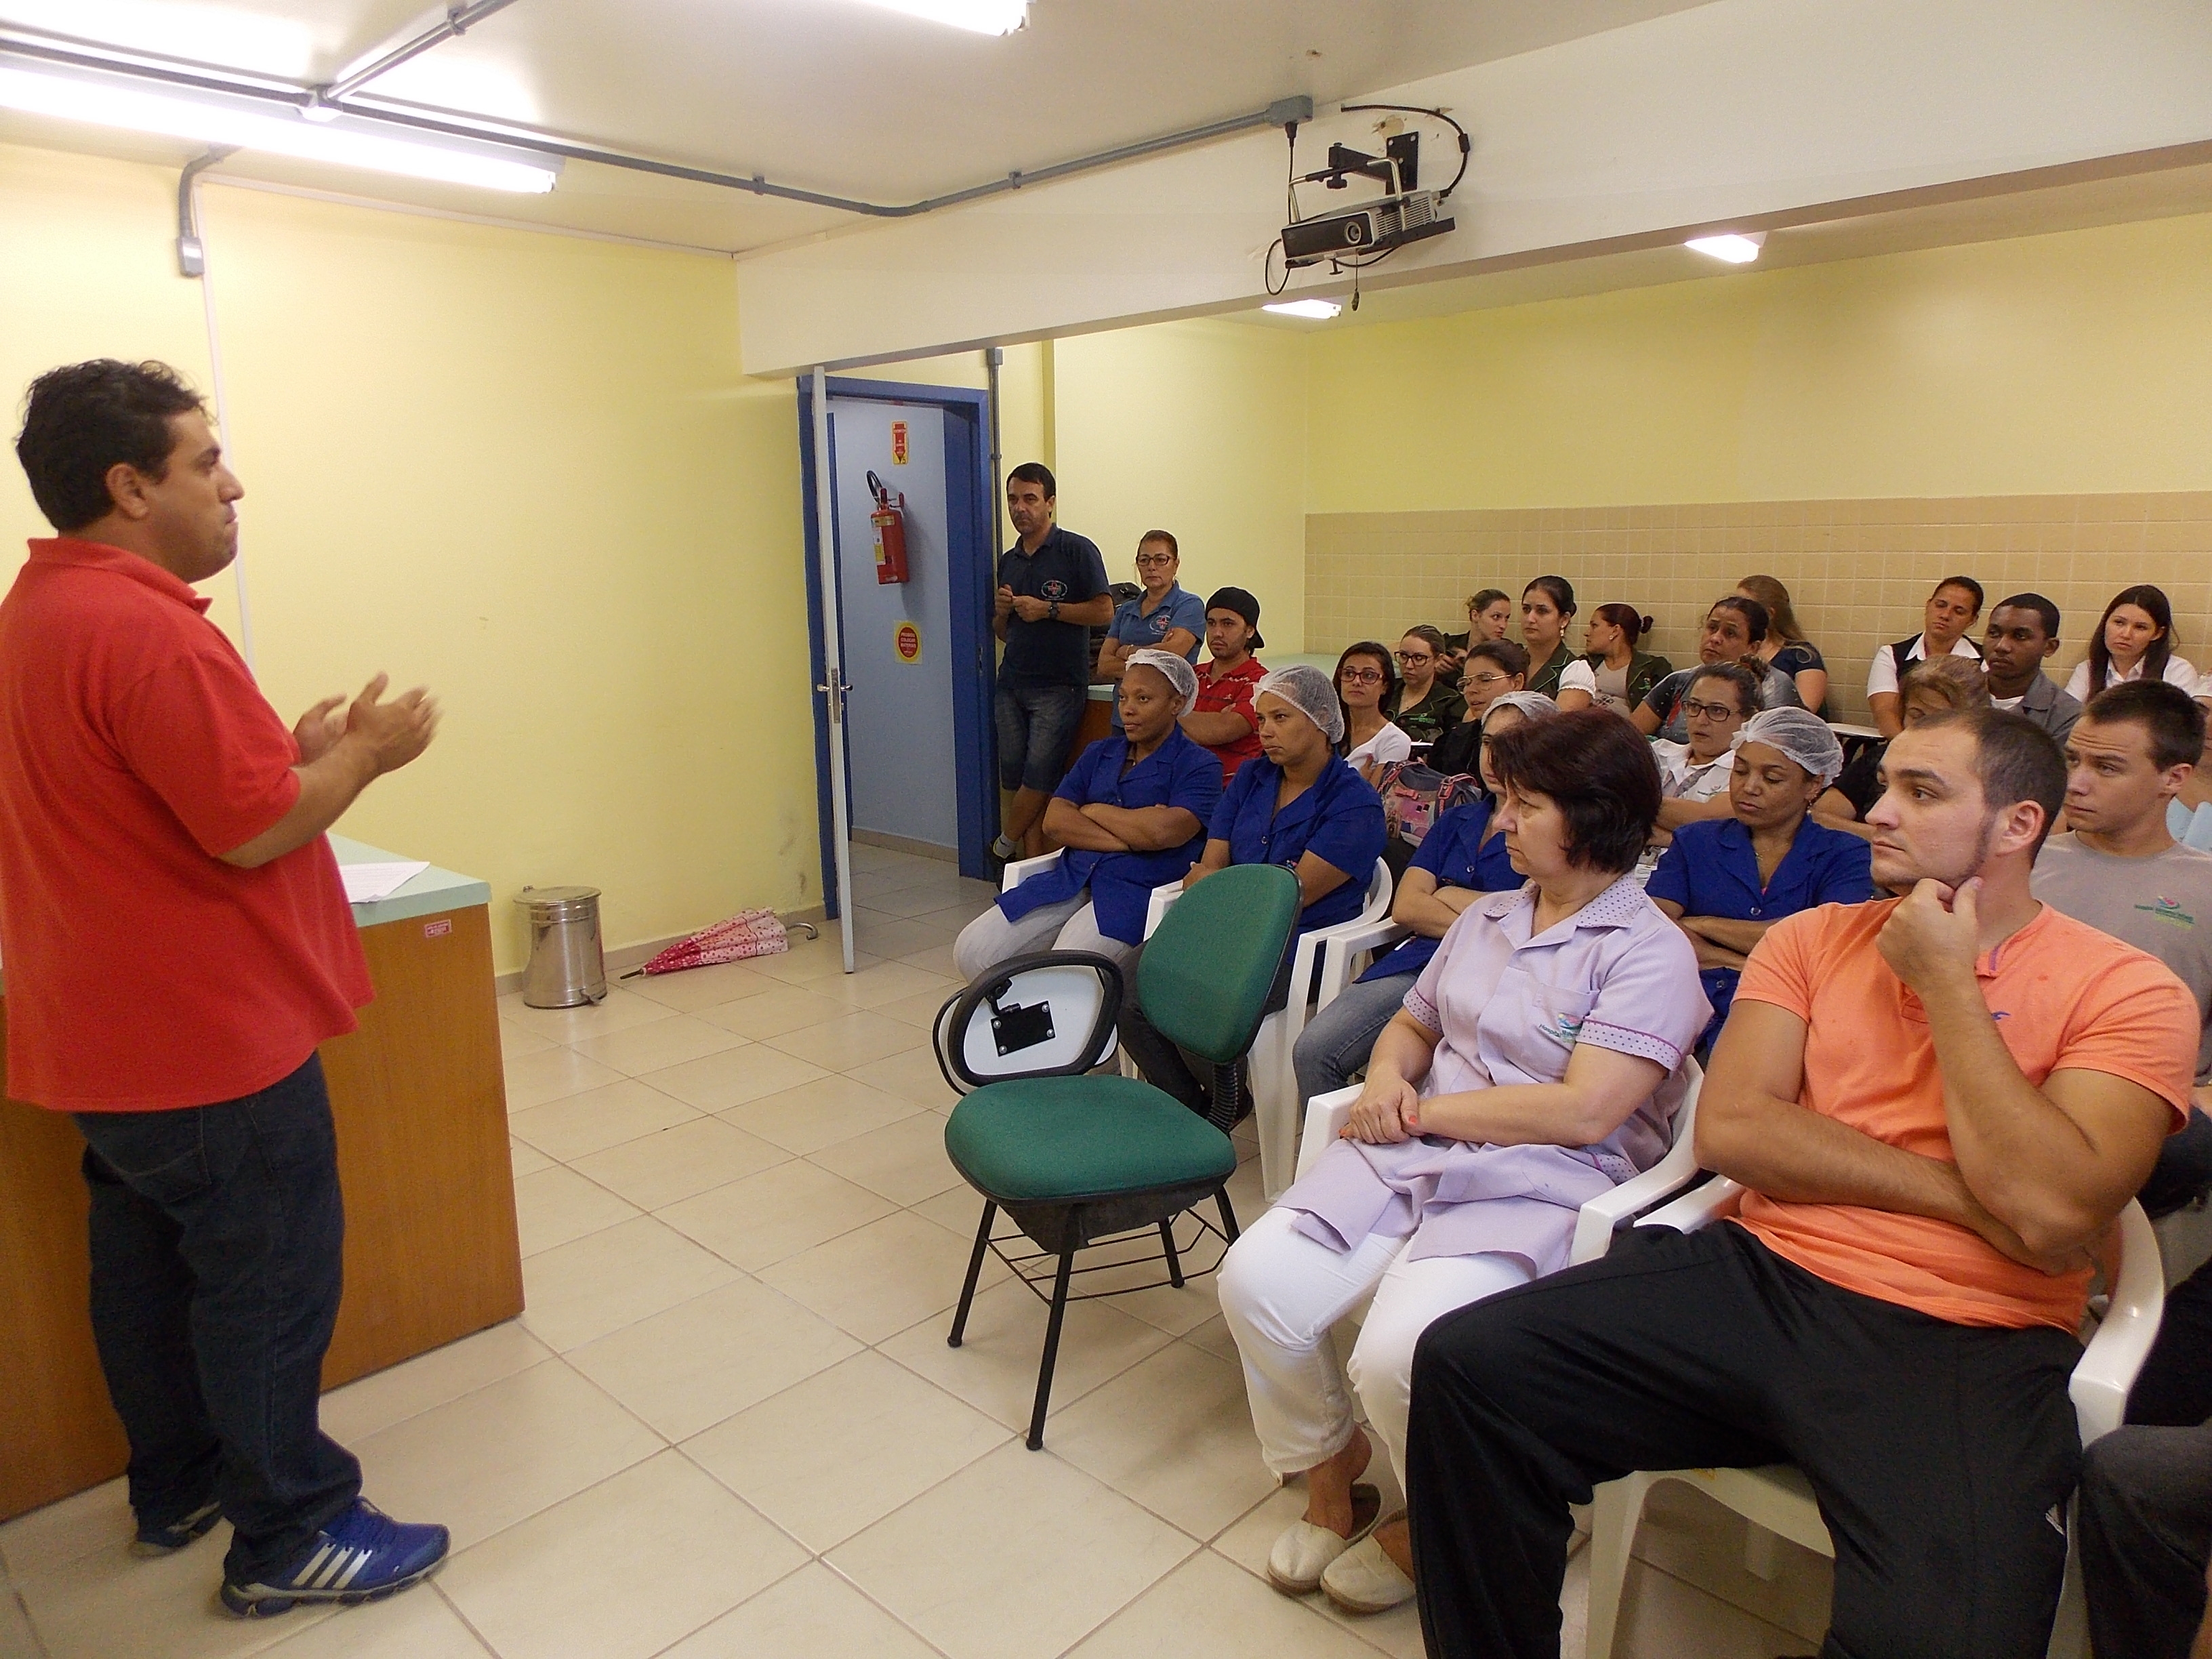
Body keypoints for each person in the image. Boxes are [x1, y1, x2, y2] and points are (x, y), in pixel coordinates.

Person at [1403, 708, 2200, 1659]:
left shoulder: (2128, 989)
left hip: (1965, 1329)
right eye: (1886, 787)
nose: (1881, 815)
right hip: (1765, 1271)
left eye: (1922, 792)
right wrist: (1975, 1200)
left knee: (1948, 1635)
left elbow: (2061, 1207)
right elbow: (1738, 1129)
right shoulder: (1813, 941)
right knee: (1468, 1367)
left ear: (2019, 825)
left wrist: (1950, 986)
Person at [1, 360, 450, 1616]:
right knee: (265, 1279)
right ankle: (290, 1531)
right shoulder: (145, 628)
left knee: (147, 1270)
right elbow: (248, 834)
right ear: (130, 483)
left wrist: (293, 756)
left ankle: (179, 1482)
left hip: (104, 1045)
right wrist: (361, 755)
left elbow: (179, 796)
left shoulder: (39, 611)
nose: (233, 482)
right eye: (206, 460)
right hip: (206, 1045)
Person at [1220, 710, 1708, 1616]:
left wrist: (1421, 1107)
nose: (1500, 824)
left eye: (1524, 806)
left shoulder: (1649, 953)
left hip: (1546, 1176)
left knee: (1405, 1356)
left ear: (1595, 815)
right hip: (1414, 1146)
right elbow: (1417, 1020)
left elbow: (1585, 1109)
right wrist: (1384, 1075)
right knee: (1256, 1281)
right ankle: (1336, 1472)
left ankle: (1443, 1519)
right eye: (1505, 803)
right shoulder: (1489, 917)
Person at [1116, 663, 1385, 1116]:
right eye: (1261, 720)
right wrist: (1218, 887)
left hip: (1295, 944)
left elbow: (1287, 899)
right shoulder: (1252, 777)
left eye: (1281, 719)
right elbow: (1209, 864)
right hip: (1222, 925)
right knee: (1127, 981)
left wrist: (1218, 887)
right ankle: (1201, 1106)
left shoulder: (1354, 803)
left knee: (1202, 991)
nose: (1266, 732)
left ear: (1321, 722)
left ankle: (1221, 1099)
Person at [1292, 691, 1559, 1105]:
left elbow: (1533, 925)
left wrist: (1449, 893)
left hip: (1499, 977)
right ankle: (1336, 1156)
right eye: (1488, 743)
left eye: (1512, 744)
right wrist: (1491, 912)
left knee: (1456, 1077)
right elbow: (1408, 907)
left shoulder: (1553, 834)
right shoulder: (1459, 818)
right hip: (1420, 964)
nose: (1494, 757)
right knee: (1314, 1051)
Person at [2032, 682, 2212, 1214]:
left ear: (2172, 779)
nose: (2077, 784)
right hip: (2018, 1094)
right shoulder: (2018, 861)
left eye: (2107, 768)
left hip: (2150, 1110)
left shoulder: (2204, 887)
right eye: (2072, 760)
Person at [953, 651, 1221, 981]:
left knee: (1070, 972)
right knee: (972, 951)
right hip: (1070, 877)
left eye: (1143, 698)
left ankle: (1073, 1026)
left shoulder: (1199, 765)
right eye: (1123, 697)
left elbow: (1164, 834)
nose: (1128, 709)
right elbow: (1055, 821)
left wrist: (1093, 811)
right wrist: (1133, 836)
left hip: (1133, 892)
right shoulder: (1100, 753)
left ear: (1176, 704)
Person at [1647, 708, 1876, 1052]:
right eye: (1740, 771)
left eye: (1772, 779)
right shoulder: (1696, 841)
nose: (1749, 788)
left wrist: (1702, 925)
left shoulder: (1845, 853)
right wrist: (1759, 962)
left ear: (1814, 784)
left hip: (1793, 1022)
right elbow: (1656, 928)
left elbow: (1824, 945)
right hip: (1685, 1008)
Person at [990, 462, 1113, 861]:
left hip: (1059, 685)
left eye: (1030, 499)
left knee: (1040, 776)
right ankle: (1029, 864)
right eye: (1013, 499)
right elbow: (1004, 631)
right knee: (1015, 775)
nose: (1020, 508)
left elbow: (1104, 612)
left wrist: (1049, 610)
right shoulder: (1009, 561)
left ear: (1050, 503)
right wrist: (1001, 612)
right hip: (1011, 684)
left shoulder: (1077, 550)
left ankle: (1003, 847)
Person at [1816, 655, 1989, 836]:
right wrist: (1881, 837)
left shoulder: (1981, 777)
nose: (1924, 728)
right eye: (1917, 715)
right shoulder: (1881, 758)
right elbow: (1821, 816)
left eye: (1939, 719)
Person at [1633, 596, 1799, 741]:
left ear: (1753, 647)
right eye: (1712, 628)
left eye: (1730, 633)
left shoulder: (1772, 685)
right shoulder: (1679, 680)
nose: (1715, 638)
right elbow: (1629, 736)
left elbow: (1773, 752)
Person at [1094, 529, 1204, 732]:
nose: (1152, 567)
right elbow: (1104, 665)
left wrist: (1125, 650)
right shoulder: (1125, 609)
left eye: (1161, 559)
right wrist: (1154, 655)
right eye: (1144, 560)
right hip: (1123, 718)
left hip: (1166, 722)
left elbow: (1172, 656)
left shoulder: (1189, 605)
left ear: (1175, 564)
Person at [1866, 574, 1985, 738]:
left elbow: (1982, 720)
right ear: (1928, 605)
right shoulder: (1892, 655)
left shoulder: (1985, 661)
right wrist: (1909, 749)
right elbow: (1885, 712)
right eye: (1940, 605)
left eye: (1959, 611)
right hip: (1901, 744)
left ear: (1973, 619)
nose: (1945, 615)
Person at [1650, 661, 1761, 833]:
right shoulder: (1657, 752)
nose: (1700, 720)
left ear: (1748, 718)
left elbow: (1707, 821)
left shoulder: (1748, 772)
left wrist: (1631, 800)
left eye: (1717, 711)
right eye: (1694, 706)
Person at [1181, 586, 1268, 779]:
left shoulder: (1261, 683)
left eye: (1228, 624)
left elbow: (1222, 730)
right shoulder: (1191, 675)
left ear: (1250, 631)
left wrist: (1172, 712)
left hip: (1230, 790)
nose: (1217, 632)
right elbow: (1160, 733)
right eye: (1211, 623)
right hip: (1181, 781)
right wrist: (1204, 724)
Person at [2066, 583, 2198, 705]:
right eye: (2119, 623)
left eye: (2140, 627)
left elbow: (2178, 725)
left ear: (2158, 633)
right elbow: (2067, 719)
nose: (2126, 634)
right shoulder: (2087, 669)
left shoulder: (2178, 671)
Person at [1981, 591, 2083, 743]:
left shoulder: (2067, 716)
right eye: (1994, 633)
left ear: (2050, 647)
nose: (2001, 646)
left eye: (2020, 636)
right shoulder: (1955, 695)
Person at [1429, 640, 1528, 779]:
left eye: (1485, 680)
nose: (1471, 690)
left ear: (1517, 682)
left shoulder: (1535, 744)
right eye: (1466, 682)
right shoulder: (1454, 741)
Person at [1736, 574, 1828, 715]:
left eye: (1745, 607)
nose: (1735, 611)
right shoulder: (1734, 650)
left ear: (1769, 614)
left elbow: (1803, 714)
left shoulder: (1802, 656)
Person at [1555, 604, 1670, 716]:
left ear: (1615, 631)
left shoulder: (1653, 669)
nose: (1587, 633)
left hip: (1625, 731)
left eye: (1594, 626)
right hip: (1584, 728)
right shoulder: (1583, 665)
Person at [1333, 642, 1412, 783]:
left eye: (1368, 676)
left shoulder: (1394, 740)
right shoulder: (1326, 729)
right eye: (1349, 673)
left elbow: (1373, 797)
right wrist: (1355, 782)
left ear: (1385, 687)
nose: (1356, 681)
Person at [1382, 626, 1465, 747]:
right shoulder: (1385, 690)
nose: (1409, 665)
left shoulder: (1451, 702)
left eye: (1419, 658)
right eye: (1404, 656)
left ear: (1438, 660)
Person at [1517, 576, 1580, 701]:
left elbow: (1561, 720)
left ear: (1564, 620)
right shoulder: (1509, 660)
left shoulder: (1574, 671)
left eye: (1542, 611)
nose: (1530, 619)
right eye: (1526, 609)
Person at [1439, 588, 1513, 687]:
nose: (1503, 625)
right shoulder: (1447, 645)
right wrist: (1432, 667)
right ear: (1475, 615)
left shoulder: (1509, 653)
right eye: (1496, 617)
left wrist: (1471, 663)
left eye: (1507, 618)